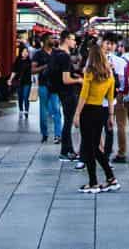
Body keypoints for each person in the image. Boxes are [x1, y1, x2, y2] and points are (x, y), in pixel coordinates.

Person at [71, 38, 120, 193]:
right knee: (94, 147)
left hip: (87, 111)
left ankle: (93, 183)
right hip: (100, 111)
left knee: (89, 147)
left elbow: (84, 95)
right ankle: (110, 178)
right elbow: (110, 97)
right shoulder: (109, 75)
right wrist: (111, 116)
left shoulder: (89, 73)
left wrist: (77, 114)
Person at [51, 34, 81, 162]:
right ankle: (64, 152)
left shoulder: (56, 53)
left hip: (61, 91)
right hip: (68, 92)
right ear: (66, 40)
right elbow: (66, 79)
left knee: (68, 121)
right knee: (68, 122)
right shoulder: (64, 56)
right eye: (73, 39)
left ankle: (70, 150)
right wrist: (79, 80)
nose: (75, 42)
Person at [33, 37, 60, 144]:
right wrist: (45, 66)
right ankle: (44, 133)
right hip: (43, 85)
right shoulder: (38, 54)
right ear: (44, 41)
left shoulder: (57, 53)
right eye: (50, 38)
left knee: (56, 109)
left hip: (55, 85)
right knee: (43, 111)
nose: (53, 40)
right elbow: (33, 70)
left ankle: (58, 135)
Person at [10, 40, 33, 124]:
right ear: (21, 52)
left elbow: (33, 71)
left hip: (27, 82)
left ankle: (26, 111)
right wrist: (10, 79)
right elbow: (14, 71)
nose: (25, 53)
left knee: (26, 97)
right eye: (24, 52)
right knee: (20, 97)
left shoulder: (30, 61)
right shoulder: (17, 60)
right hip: (19, 81)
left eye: (26, 52)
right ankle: (21, 110)